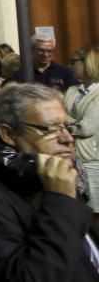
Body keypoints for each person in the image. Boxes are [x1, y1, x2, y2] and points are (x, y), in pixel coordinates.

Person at [0, 82, 99, 280]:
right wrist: (60, 200)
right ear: (9, 134)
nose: (67, 138)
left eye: (67, 126)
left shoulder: (50, 174)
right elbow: (29, 276)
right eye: (50, 129)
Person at [65, 46, 99, 212]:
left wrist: (64, 121)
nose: (70, 66)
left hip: (91, 161)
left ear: (88, 63)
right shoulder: (72, 90)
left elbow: (86, 128)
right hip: (71, 158)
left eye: (74, 62)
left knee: (93, 212)